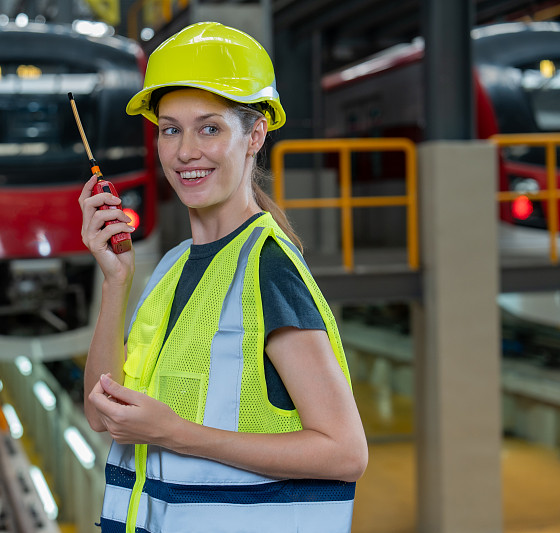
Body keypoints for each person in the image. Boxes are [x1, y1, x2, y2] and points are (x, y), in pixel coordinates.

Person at [78, 21, 367, 533]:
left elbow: (345, 453)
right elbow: (103, 415)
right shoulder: (171, 267)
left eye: (209, 127)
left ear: (255, 135)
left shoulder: (268, 270)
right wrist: (116, 281)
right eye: (170, 129)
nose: (185, 151)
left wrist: (175, 433)